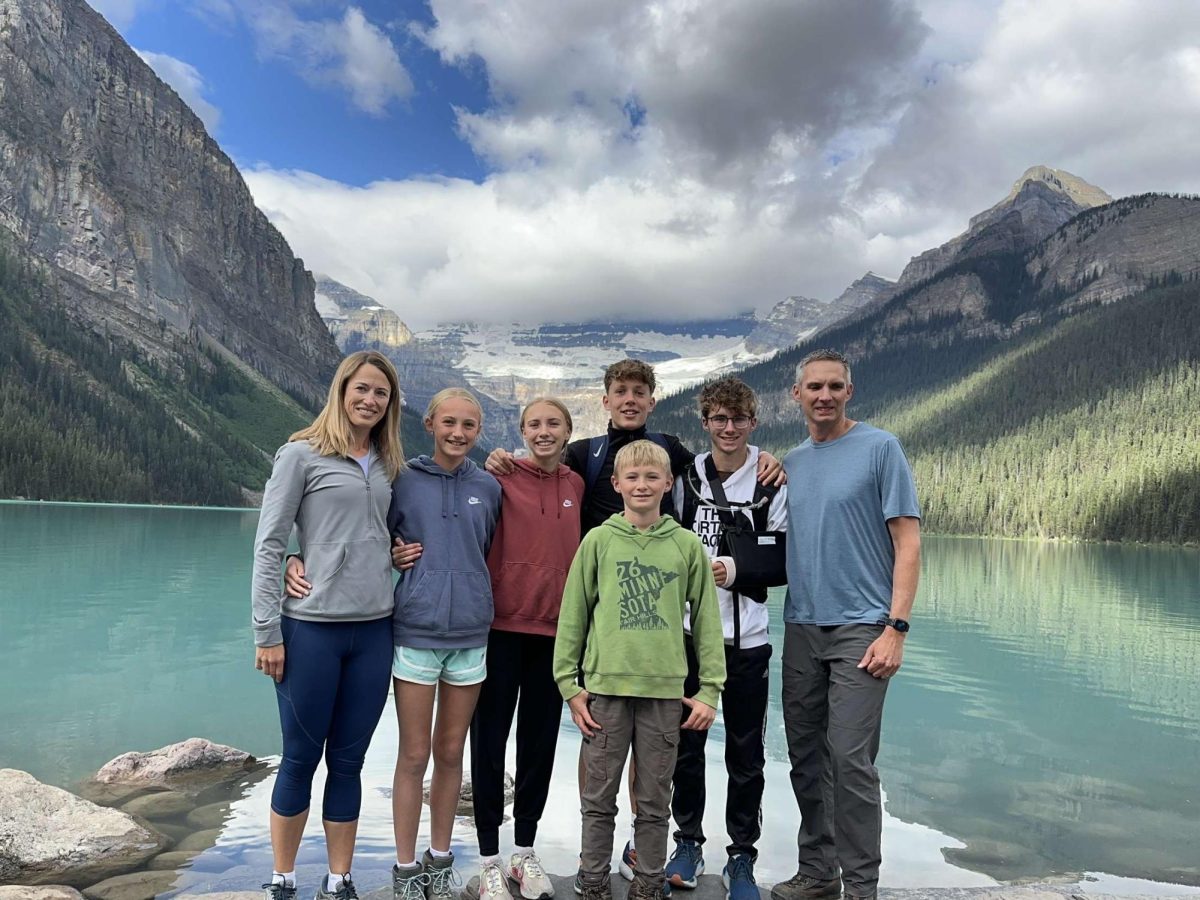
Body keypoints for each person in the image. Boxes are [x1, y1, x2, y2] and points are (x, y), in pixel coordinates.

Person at [488, 359, 782, 877]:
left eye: (639, 392)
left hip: (659, 624)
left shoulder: (671, 450)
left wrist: (767, 461)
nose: (629, 399)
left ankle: (637, 846)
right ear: (605, 400)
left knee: (656, 747)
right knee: (600, 739)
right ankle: (592, 847)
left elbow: (723, 462)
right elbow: (542, 465)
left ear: (652, 399)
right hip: (601, 623)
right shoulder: (585, 454)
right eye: (620, 391)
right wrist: (501, 459)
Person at [251, 350, 406, 900]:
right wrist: (266, 631)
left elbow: (369, 531)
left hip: (373, 631)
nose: (370, 400)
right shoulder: (300, 454)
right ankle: (283, 878)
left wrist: (395, 550)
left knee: (349, 760)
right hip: (311, 629)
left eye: (381, 393)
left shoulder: (387, 462)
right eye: (361, 389)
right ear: (341, 391)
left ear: (390, 405)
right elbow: (271, 544)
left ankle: (339, 880)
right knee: (299, 757)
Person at [771, 350, 921, 900]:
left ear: (849, 392)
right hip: (803, 625)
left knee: (851, 758)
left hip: (864, 627)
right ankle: (817, 873)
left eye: (835, 386)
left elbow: (908, 540)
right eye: (814, 387)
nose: (824, 395)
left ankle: (861, 887)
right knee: (806, 755)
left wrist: (896, 627)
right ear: (797, 395)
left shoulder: (881, 448)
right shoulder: (793, 461)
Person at [553, 440, 727, 900]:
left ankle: (648, 885)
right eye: (632, 477)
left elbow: (708, 623)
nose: (642, 484)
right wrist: (570, 685)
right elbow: (574, 614)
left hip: (665, 693)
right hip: (605, 691)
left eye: (653, 477)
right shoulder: (598, 541)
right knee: (599, 799)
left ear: (668, 484)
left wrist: (709, 690)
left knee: (653, 801)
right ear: (616, 484)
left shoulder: (686, 545)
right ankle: (592, 882)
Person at [666, 377, 787, 900]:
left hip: (749, 639)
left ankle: (742, 857)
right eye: (719, 418)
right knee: (686, 748)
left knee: (746, 751)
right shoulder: (686, 480)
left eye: (739, 419)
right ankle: (687, 842)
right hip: (691, 638)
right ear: (705, 423)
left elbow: (783, 557)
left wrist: (735, 567)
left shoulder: (771, 479)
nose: (730, 428)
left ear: (752, 423)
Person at [466, 398, 585, 900]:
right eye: (534, 424)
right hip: (499, 628)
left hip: (555, 635)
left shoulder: (576, 484)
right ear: (521, 431)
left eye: (552, 424)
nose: (544, 431)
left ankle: (525, 853)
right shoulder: (497, 476)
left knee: (539, 746)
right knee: (489, 742)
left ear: (567, 431)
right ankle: (489, 858)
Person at [387, 388, 503, 900]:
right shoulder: (402, 480)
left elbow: (492, 549)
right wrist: (393, 556)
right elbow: (375, 539)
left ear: (480, 431)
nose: (458, 433)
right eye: (449, 423)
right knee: (413, 754)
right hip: (415, 631)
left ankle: (439, 860)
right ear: (430, 423)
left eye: (470, 426)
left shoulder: (489, 486)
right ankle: (405, 868)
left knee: (451, 751)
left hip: (472, 635)